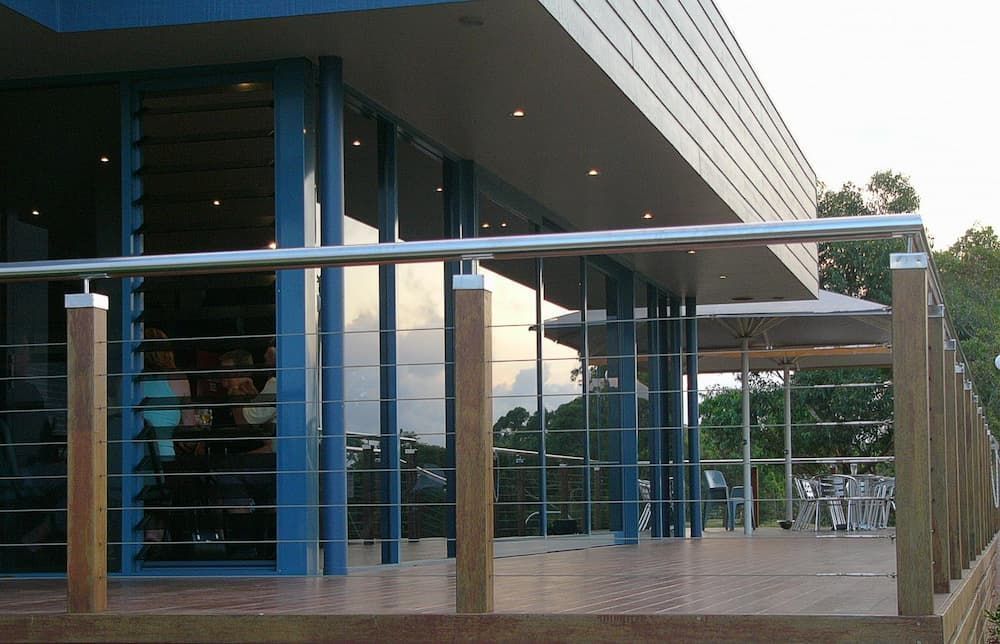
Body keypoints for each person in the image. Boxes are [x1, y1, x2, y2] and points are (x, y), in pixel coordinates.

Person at [142, 328, 195, 460]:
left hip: (124, 458)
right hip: (163, 458)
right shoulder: (178, 379)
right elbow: (190, 431)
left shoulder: (125, 379)